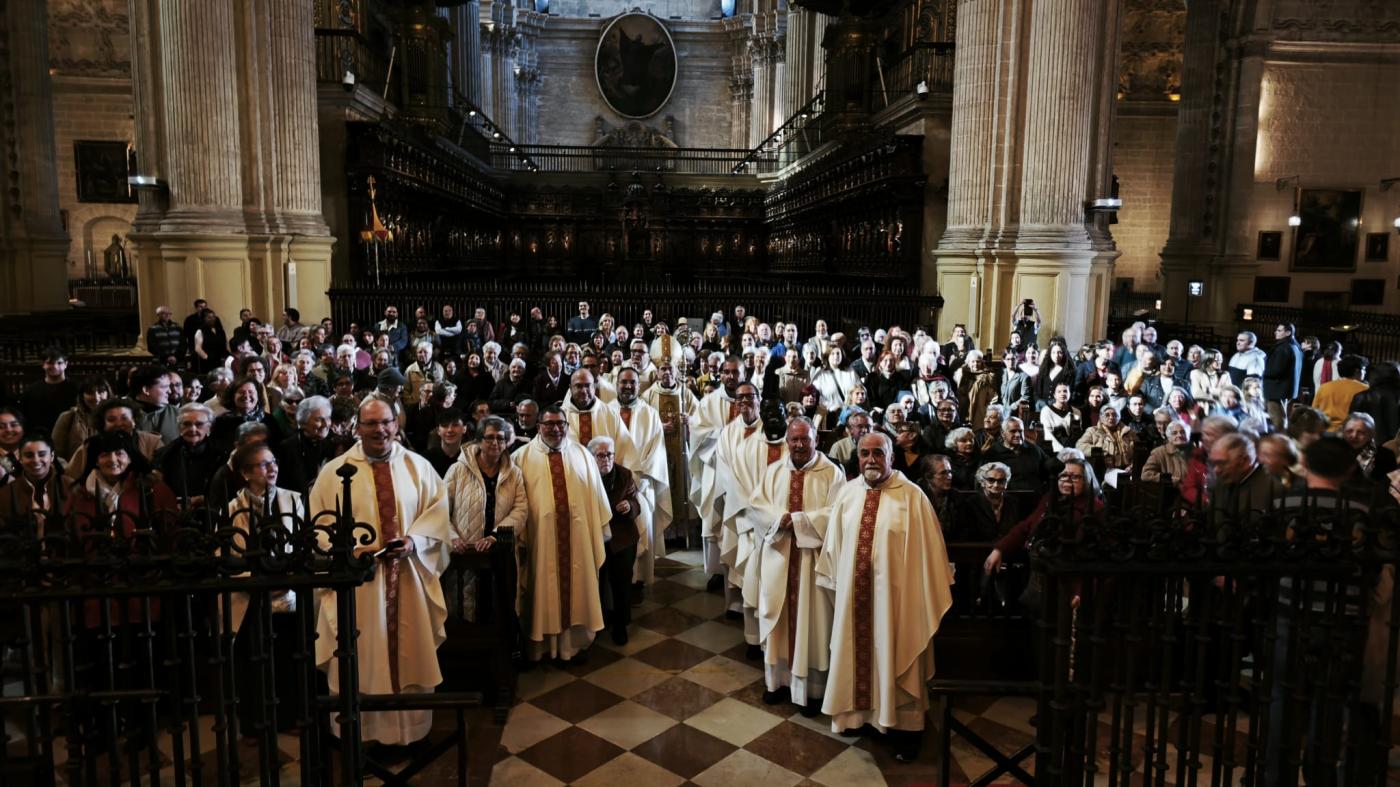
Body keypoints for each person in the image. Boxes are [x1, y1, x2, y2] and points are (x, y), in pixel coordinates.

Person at [309, 397, 452, 747]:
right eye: (371, 423)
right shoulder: (335, 472)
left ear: (396, 424)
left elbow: (438, 513)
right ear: (357, 427)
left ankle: (410, 733)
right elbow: (318, 525)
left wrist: (415, 541)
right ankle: (362, 736)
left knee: (410, 652)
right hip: (359, 586)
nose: (380, 430)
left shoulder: (417, 466)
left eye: (386, 422)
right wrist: (348, 551)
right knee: (361, 657)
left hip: (408, 579)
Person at [818, 432, 954, 761]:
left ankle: (906, 729)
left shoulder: (912, 497)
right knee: (856, 652)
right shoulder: (848, 493)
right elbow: (834, 547)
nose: (871, 460)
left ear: (891, 457)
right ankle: (860, 717)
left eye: (878, 453)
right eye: (864, 453)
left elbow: (930, 556)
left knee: (897, 654)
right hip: (855, 601)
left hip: (898, 603)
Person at [746, 417, 845, 713]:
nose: (799, 445)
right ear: (787, 441)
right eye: (794, 439)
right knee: (777, 623)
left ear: (816, 440)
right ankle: (776, 683)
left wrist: (800, 521)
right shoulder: (774, 471)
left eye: (805, 439)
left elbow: (838, 513)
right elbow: (756, 505)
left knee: (812, 625)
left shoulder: (832, 473)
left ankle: (811, 692)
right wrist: (780, 519)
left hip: (812, 562)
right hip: (778, 557)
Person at [515, 405, 612, 663]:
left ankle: (574, 646)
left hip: (578, 540)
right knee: (542, 590)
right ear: (539, 427)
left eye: (561, 424)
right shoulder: (522, 458)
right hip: (541, 540)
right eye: (549, 424)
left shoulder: (583, 455)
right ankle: (543, 648)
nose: (556, 429)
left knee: (578, 589)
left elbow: (596, 500)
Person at [226, 443, 305, 739]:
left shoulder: (293, 500)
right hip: (251, 597)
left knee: (288, 659)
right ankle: (254, 725)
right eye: (262, 465)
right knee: (254, 663)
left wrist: (288, 577)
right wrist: (258, 582)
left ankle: (290, 718)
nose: (271, 469)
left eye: (273, 462)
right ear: (246, 473)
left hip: (288, 593)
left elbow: (303, 544)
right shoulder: (232, 509)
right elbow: (230, 556)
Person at [714, 383, 787, 654]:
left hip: (786, 530)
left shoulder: (793, 446)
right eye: (769, 412)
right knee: (753, 583)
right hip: (753, 527)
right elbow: (738, 488)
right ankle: (754, 638)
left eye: (777, 412)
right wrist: (763, 519)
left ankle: (781, 640)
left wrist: (782, 519)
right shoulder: (746, 448)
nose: (772, 417)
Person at [442, 415, 526, 622]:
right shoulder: (458, 470)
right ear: (479, 440)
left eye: (500, 438)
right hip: (465, 551)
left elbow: (520, 510)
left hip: (499, 551)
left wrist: (495, 536)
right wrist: (452, 537)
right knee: (465, 609)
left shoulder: (514, 473)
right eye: (489, 437)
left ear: (506, 443)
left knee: (498, 610)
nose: (495, 443)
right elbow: (440, 509)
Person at [610, 367, 671, 590]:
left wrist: (637, 479)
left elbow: (656, 450)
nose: (628, 386)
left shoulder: (650, 414)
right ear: (616, 384)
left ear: (639, 385)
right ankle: (616, 583)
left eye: (632, 382)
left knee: (642, 530)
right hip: (612, 485)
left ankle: (638, 581)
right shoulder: (606, 411)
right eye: (623, 382)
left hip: (642, 484)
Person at [588, 436, 641, 645]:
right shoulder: (585, 475)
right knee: (596, 583)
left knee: (621, 582)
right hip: (595, 537)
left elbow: (636, 502)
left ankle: (621, 624)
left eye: (609, 455)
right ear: (591, 457)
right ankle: (597, 623)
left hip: (622, 536)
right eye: (601, 455)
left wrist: (629, 506)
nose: (606, 460)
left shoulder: (624, 474)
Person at [0, 433, 72, 530]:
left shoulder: (70, 486)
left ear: (52, 456)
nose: (36, 460)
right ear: (20, 458)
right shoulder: (5, 493)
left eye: (42, 454)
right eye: (29, 455)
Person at [273, 396, 334, 498]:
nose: (326, 424)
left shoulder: (335, 444)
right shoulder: (287, 448)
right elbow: (283, 487)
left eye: (328, 418)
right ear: (303, 422)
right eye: (319, 419)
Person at [986, 417, 1054, 498]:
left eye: (1020, 431)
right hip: (1006, 501)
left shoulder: (1034, 449)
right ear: (1003, 433)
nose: (1018, 435)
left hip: (1035, 500)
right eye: (1013, 431)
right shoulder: (993, 453)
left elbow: (1050, 471)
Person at [19, 349, 78, 437]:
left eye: (59, 363)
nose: (55, 366)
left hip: (70, 434)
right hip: (40, 435)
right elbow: (25, 416)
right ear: (43, 365)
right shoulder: (32, 390)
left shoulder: (76, 388)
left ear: (66, 364)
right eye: (50, 363)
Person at [51, 376, 111, 460]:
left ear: (108, 393)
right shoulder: (67, 417)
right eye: (90, 392)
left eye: (101, 392)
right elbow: (56, 453)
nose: (96, 398)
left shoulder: (116, 418)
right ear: (82, 396)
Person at [1262, 323, 1303, 429]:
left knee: (1277, 420)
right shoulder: (1295, 346)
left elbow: (1276, 370)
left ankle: (1279, 437)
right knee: (1281, 417)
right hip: (1283, 389)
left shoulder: (1283, 348)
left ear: (1288, 333)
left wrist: (1262, 372)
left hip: (1276, 389)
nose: (1275, 332)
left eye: (1279, 330)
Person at [1313, 354, 1369, 430]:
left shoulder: (1324, 387)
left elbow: (1314, 411)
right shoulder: (1365, 389)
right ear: (1357, 371)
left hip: (1325, 431)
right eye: (1364, 369)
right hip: (1351, 431)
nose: (1365, 372)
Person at [1075, 403, 1136, 471]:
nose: (1111, 417)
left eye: (1114, 415)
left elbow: (1139, 452)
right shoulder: (1092, 431)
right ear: (1101, 417)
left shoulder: (1129, 431)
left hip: (1127, 469)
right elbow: (1080, 446)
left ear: (1119, 417)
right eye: (1107, 415)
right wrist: (1100, 452)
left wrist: (1132, 466)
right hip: (1103, 470)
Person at [130, 365, 179, 446]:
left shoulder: (179, 414)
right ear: (146, 390)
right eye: (164, 387)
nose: (169, 391)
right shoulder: (125, 415)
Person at [1142, 420, 1192, 487]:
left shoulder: (1192, 451)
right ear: (1169, 437)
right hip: (1171, 491)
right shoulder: (1158, 453)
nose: (1179, 435)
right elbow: (1146, 474)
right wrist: (1172, 480)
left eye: (1182, 432)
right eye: (1175, 433)